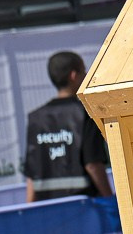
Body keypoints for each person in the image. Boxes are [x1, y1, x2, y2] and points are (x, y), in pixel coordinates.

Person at [23, 51, 112, 201]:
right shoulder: (86, 113)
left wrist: (31, 209)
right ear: (73, 75)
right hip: (86, 207)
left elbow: (32, 174)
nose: (86, 76)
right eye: (84, 71)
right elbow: (92, 164)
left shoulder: (35, 118)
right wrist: (110, 201)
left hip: (50, 210)